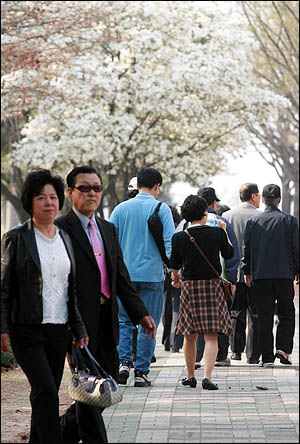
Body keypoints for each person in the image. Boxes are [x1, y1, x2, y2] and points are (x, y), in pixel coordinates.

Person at [56, 166, 156, 443]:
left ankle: (55, 432)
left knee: (103, 386)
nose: (91, 194)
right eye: (84, 188)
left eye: (96, 188)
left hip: (107, 320)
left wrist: (142, 313)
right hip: (76, 323)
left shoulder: (107, 228)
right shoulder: (60, 229)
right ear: (70, 192)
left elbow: (120, 277)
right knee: (90, 387)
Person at [1, 169, 89, 443]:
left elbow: (69, 288)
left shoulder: (65, 238)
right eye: (41, 197)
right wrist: (2, 327)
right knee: (46, 392)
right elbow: (3, 287)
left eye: (53, 197)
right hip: (25, 331)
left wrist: (78, 327)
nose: (49, 202)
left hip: (58, 331)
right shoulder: (16, 238)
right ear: (30, 202)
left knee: (44, 396)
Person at [109, 167, 175, 387]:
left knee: (124, 321)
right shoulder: (161, 208)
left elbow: (109, 242)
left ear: (137, 186)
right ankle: (142, 373)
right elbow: (169, 244)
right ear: (157, 186)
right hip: (152, 276)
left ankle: (124, 363)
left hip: (124, 276)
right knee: (149, 324)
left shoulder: (120, 209)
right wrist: (175, 269)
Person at [170, 195, 234, 390]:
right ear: (205, 212)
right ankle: (207, 377)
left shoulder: (179, 237)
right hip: (213, 286)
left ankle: (190, 376)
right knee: (211, 335)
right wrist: (224, 232)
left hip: (190, 287)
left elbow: (174, 264)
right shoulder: (217, 233)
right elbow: (229, 255)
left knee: (190, 335)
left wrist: (175, 278)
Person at [241, 184, 299, 367]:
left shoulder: (253, 222)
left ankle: (267, 358)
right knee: (287, 313)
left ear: (264, 200)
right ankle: (283, 349)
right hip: (284, 275)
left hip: (261, 277)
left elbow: (247, 249)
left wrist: (247, 271)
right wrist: (297, 271)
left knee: (264, 316)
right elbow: (296, 249)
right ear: (280, 200)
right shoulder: (289, 221)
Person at [196, 187, 239, 367]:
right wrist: (231, 279)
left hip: (193, 279)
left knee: (196, 317)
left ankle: (197, 356)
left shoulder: (186, 224)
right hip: (218, 279)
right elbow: (232, 253)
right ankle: (221, 356)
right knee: (221, 316)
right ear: (214, 203)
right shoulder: (221, 222)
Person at [223, 183, 261, 364]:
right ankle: (252, 355)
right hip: (255, 272)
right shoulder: (260, 217)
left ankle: (235, 351)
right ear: (253, 196)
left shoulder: (227, 216)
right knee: (255, 313)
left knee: (236, 312)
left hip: (233, 272)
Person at [161, 205, 183, 352]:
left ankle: (166, 340)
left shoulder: (160, 226)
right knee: (176, 306)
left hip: (163, 272)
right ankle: (174, 342)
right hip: (174, 270)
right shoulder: (179, 226)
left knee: (166, 306)